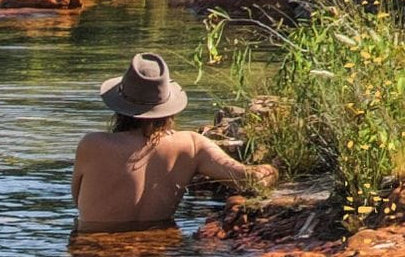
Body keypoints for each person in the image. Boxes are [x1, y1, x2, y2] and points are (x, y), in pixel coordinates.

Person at [71, 52, 276, 232]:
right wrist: (273, 169)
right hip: (161, 250)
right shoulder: (192, 145)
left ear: (119, 107)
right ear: (168, 107)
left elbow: (77, 201)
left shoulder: (92, 144)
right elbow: (252, 180)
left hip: (95, 251)